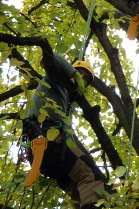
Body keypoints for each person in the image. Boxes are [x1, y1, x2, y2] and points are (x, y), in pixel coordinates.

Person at [21, 53, 105, 209]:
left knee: (78, 191)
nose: (82, 76)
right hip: (49, 142)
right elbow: (50, 56)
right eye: (79, 72)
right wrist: (74, 75)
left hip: (47, 156)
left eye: (85, 78)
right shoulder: (54, 79)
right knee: (92, 176)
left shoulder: (65, 106)